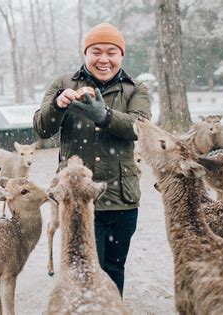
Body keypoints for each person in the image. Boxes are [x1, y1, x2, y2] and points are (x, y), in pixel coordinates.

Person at [33, 22, 151, 296]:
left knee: (113, 269)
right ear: (85, 54)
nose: (103, 59)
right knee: (81, 270)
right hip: (77, 200)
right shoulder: (63, 84)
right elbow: (42, 128)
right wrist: (58, 106)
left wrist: (104, 115)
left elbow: (139, 128)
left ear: (121, 55)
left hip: (122, 199)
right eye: (96, 51)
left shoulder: (135, 90)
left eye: (112, 52)